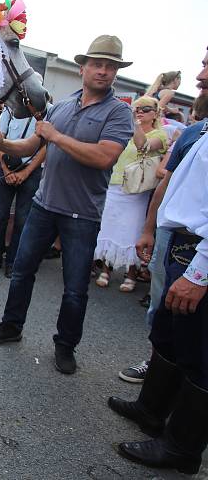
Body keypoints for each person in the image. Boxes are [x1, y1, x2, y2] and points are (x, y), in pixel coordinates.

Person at [0, 35, 134, 374]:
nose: (103, 71)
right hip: (44, 205)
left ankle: (65, 346)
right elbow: (32, 146)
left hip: (82, 215)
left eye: (111, 66)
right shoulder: (63, 106)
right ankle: (11, 326)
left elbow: (104, 157)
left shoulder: (119, 113)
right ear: (83, 68)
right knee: (21, 272)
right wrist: (3, 142)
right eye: (97, 64)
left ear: (116, 73)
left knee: (76, 289)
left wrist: (57, 137)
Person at [110, 97, 208, 475]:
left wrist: (200, 272)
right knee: (168, 333)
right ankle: (151, 411)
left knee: (199, 352)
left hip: (198, 254)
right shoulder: (202, 128)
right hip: (182, 243)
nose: (200, 76)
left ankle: (182, 449)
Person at [118, 94, 208, 384]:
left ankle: (183, 412)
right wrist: (149, 229)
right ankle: (154, 393)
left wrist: (200, 270)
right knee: (162, 313)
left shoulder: (170, 132)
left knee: (194, 334)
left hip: (199, 247)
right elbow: (166, 183)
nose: (200, 76)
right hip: (172, 237)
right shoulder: (196, 132)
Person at [92, 96, 168, 292]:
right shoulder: (125, 130)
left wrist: (135, 124)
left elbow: (143, 146)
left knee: (132, 232)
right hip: (115, 184)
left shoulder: (160, 135)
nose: (140, 111)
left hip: (137, 191)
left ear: (155, 113)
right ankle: (105, 270)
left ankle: (131, 273)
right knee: (108, 229)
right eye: (137, 108)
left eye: (146, 109)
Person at [0, 106, 47, 278]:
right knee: (0, 216)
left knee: (22, 219)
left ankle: (12, 262)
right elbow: (0, 142)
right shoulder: (9, 112)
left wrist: (25, 172)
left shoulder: (47, 112)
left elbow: (44, 148)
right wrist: (5, 170)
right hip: (7, 167)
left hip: (31, 171)